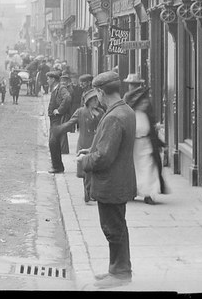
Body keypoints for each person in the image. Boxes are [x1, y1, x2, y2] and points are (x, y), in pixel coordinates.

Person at [78, 71, 137, 287]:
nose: (98, 98)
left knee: (113, 229)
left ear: (102, 92)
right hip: (120, 180)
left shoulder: (113, 117)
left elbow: (103, 157)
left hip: (111, 183)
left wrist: (85, 160)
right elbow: (110, 146)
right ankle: (117, 269)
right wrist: (91, 148)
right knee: (118, 226)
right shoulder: (125, 110)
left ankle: (120, 273)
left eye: (98, 93)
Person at [58, 88, 104, 202]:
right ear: (88, 101)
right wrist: (60, 129)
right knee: (86, 169)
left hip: (96, 143)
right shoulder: (80, 112)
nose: (96, 102)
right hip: (84, 142)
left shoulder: (101, 113)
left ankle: (91, 191)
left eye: (97, 100)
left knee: (95, 168)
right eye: (93, 100)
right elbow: (71, 123)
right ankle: (87, 191)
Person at [126, 86, 167, 204]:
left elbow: (152, 131)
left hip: (147, 145)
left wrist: (160, 143)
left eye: (146, 101)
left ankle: (149, 194)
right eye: (142, 102)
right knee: (136, 170)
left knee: (149, 168)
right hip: (134, 147)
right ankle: (133, 191)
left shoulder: (147, 115)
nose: (145, 104)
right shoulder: (131, 115)